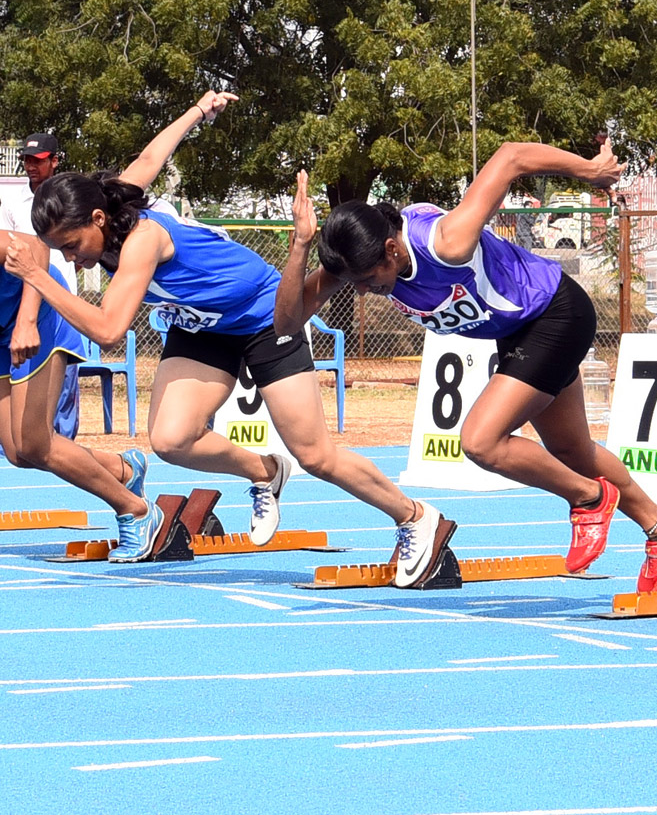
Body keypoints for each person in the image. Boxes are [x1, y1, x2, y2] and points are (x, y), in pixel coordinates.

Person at [6, 92, 444, 585]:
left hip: (262, 318)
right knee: (171, 440)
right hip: (202, 327)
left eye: (70, 246)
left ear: (98, 221)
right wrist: (196, 111)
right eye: (56, 253)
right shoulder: (106, 204)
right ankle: (263, 472)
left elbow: (109, 330)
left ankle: (414, 516)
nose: (69, 260)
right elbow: (153, 156)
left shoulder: (143, 241)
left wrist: (37, 279)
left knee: (317, 456)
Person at [275, 142, 657, 591]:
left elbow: (511, 157)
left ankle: (588, 499)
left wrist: (588, 171)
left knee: (481, 441)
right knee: (573, 452)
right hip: (519, 331)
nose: (360, 291)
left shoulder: (446, 241)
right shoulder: (360, 257)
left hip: (556, 312)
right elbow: (287, 322)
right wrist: (300, 246)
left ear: (391, 250)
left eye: (368, 280)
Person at [0, 231, 156, 561]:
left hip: (37, 314)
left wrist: (27, 321)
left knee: (35, 444)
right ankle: (123, 469)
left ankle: (136, 510)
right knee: (17, 451)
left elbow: (35, 246)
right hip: (1, 333)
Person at [0, 133, 80, 439]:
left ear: (55, 161)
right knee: (24, 438)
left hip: (59, 302)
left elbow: (42, 248)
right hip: (23, 301)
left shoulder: (69, 195)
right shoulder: (12, 202)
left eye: (39, 160)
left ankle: (66, 446)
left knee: (63, 398)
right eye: (27, 160)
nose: (31, 166)